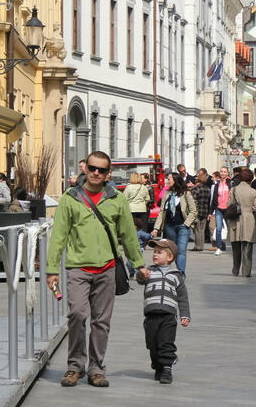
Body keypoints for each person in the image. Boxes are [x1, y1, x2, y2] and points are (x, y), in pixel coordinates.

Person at [46, 150, 147, 389]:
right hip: (78, 268)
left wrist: (139, 264)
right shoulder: (70, 197)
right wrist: (51, 270)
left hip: (107, 268)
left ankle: (96, 369)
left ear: (108, 174)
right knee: (78, 314)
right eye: (92, 168)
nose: (96, 173)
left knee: (101, 321)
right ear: (85, 168)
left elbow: (128, 235)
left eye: (101, 170)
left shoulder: (116, 198)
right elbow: (58, 236)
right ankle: (74, 366)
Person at [136, 238, 190, 385]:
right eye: (154, 252)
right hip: (151, 315)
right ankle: (158, 366)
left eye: (160, 252)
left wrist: (185, 315)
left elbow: (183, 298)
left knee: (165, 342)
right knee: (152, 344)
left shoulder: (176, 275)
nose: (155, 255)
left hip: (168, 316)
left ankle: (167, 368)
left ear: (170, 257)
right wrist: (141, 274)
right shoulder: (150, 271)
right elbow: (140, 280)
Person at [152, 173, 197, 274]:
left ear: (175, 180)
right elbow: (162, 211)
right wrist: (156, 228)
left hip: (182, 226)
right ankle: (167, 272)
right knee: (172, 250)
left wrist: (186, 224)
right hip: (169, 226)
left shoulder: (186, 193)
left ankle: (180, 273)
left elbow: (194, 211)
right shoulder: (167, 193)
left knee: (181, 250)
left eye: (169, 179)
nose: (167, 181)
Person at [228, 169, 256, 277]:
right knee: (247, 247)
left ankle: (235, 269)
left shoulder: (233, 190)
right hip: (248, 219)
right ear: (250, 179)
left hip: (235, 219)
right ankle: (246, 272)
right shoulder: (253, 191)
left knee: (235, 247)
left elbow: (229, 204)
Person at [190, 170, 213, 251]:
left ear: (198, 180)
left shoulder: (195, 188)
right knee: (202, 229)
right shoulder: (208, 189)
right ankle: (201, 246)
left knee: (196, 229)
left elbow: (193, 201)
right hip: (205, 210)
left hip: (197, 210)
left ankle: (198, 246)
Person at [209, 172, 230, 255]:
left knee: (230, 228)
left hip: (228, 209)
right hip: (218, 208)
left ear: (227, 173)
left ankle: (234, 245)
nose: (223, 173)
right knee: (218, 228)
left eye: (224, 171)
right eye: (221, 171)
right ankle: (219, 247)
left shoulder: (230, 183)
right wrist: (210, 212)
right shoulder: (217, 184)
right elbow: (213, 198)